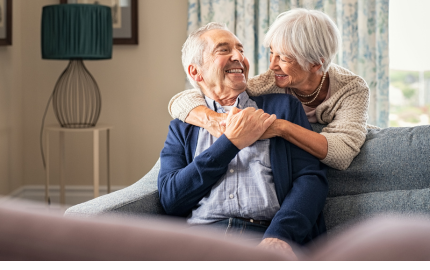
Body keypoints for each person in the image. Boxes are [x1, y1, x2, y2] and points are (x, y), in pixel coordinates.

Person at [158, 22, 328, 259]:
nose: (239, 57)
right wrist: (230, 143)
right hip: (202, 241)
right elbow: (171, 199)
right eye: (224, 50)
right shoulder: (183, 126)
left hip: (264, 235)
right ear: (196, 72)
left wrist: (280, 236)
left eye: (241, 50)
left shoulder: (282, 108)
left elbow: (311, 180)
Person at [168, 8, 372, 171]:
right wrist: (213, 119)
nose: (272, 66)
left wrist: (280, 128)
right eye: (271, 53)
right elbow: (184, 99)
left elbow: (342, 153)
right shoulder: (270, 82)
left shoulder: (351, 89)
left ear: (315, 64)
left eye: (283, 58)